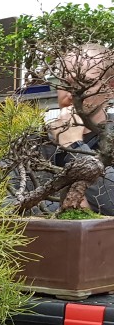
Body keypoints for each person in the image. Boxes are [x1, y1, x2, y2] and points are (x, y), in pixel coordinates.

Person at [43, 44, 114, 214]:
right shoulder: (33, 141)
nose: (72, 94)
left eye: (86, 83)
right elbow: (7, 204)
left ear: (110, 88)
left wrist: (73, 146)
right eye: (65, 83)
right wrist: (71, 212)